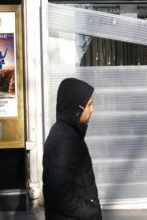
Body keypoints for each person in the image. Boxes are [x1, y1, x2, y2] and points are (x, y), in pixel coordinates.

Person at [43, 78, 102, 220]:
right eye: (89, 105)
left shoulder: (69, 133)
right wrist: (90, 212)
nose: (92, 110)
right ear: (77, 108)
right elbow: (58, 193)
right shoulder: (64, 139)